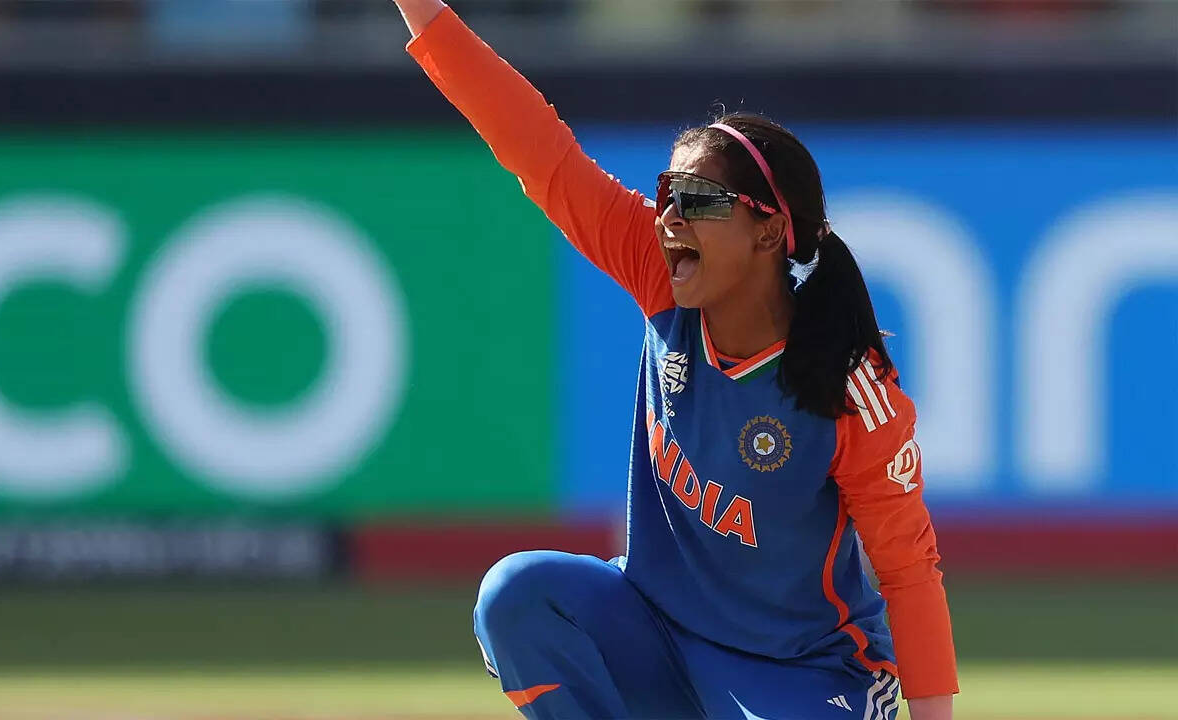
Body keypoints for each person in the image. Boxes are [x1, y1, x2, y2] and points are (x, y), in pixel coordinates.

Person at [390, 1, 958, 718]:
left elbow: (908, 570)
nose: (669, 217)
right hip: (657, 635)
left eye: (699, 200)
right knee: (519, 596)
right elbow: (538, 150)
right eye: (668, 194)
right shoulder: (660, 277)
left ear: (768, 231)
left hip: (803, 671)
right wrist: (422, 10)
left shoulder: (849, 387)